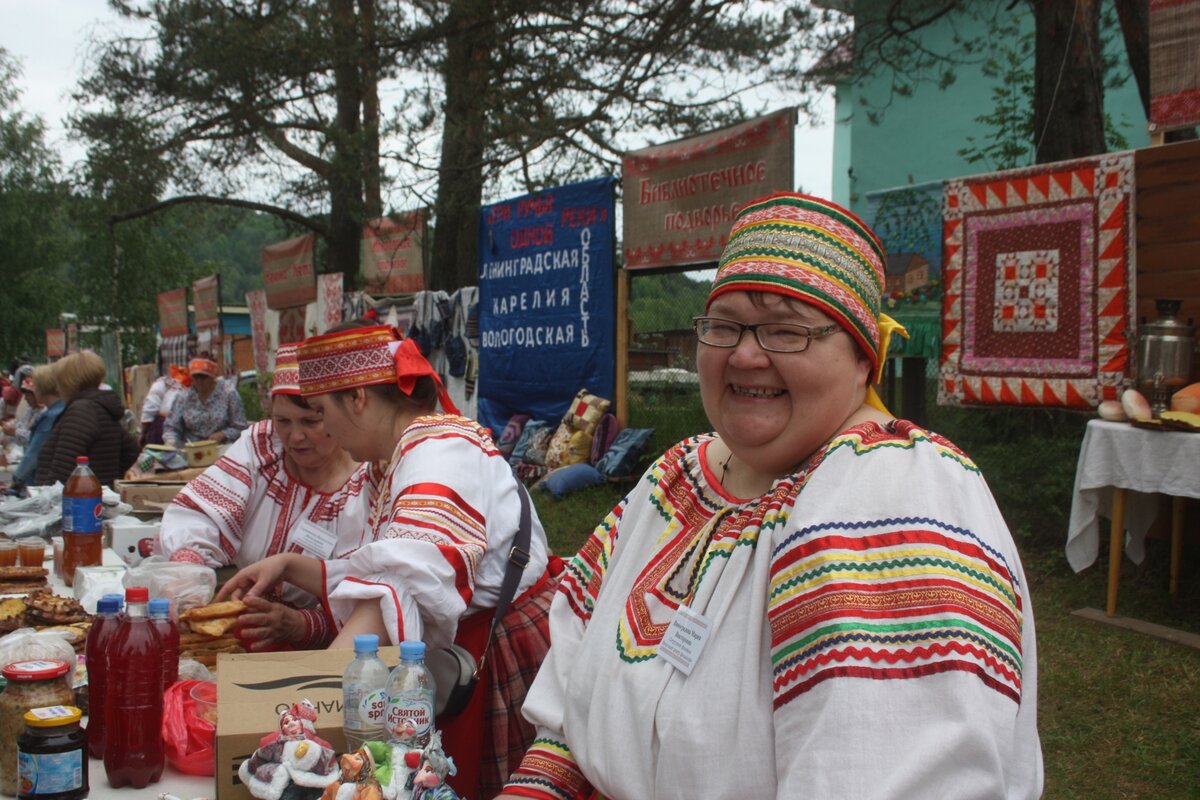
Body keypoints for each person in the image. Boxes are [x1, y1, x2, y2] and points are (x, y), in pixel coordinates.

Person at [498, 193, 1042, 799]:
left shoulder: (896, 490)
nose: (745, 354)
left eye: (786, 330)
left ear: (864, 357)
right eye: (724, 325)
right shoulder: (676, 476)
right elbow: (573, 694)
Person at [218, 323, 562, 799]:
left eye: (321, 413)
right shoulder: (389, 462)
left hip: (494, 650)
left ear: (358, 397)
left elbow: (395, 586)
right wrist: (286, 564)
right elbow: (376, 568)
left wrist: (299, 711)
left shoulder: (439, 454)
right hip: (460, 646)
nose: (327, 432)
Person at [158, 343, 377, 649]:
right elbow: (199, 512)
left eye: (311, 422)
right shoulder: (262, 448)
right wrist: (188, 569)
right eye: (283, 421)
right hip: (238, 640)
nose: (294, 436)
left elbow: (371, 599)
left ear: (339, 416)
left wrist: (301, 625)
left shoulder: (367, 486)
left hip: (321, 657)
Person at [34, 351, 138, 487]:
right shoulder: (102, 408)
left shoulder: (81, 410)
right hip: (94, 496)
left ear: (69, 382)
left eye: (59, 382)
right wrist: (108, 477)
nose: (58, 389)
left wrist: (48, 496)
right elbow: (130, 451)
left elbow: (64, 466)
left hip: (77, 500)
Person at [163, 354, 247, 447]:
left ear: (212, 377)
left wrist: (223, 434)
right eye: (195, 377)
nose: (199, 381)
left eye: (203, 377)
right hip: (191, 449)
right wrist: (171, 441)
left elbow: (240, 427)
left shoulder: (229, 394)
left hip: (222, 448)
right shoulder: (183, 397)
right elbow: (171, 426)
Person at [11, 365, 65, 489]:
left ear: (42, 387)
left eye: (35, 385)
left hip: (42, 480)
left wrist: (16, 480)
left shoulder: (51, 416)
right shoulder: (57, 411)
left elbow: (33, 454)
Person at [139, 363, 191, 446]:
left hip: (160, 428)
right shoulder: (191, 388)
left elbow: (150, 407)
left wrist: (143, 432)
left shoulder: (162, 382)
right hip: (182, 431)